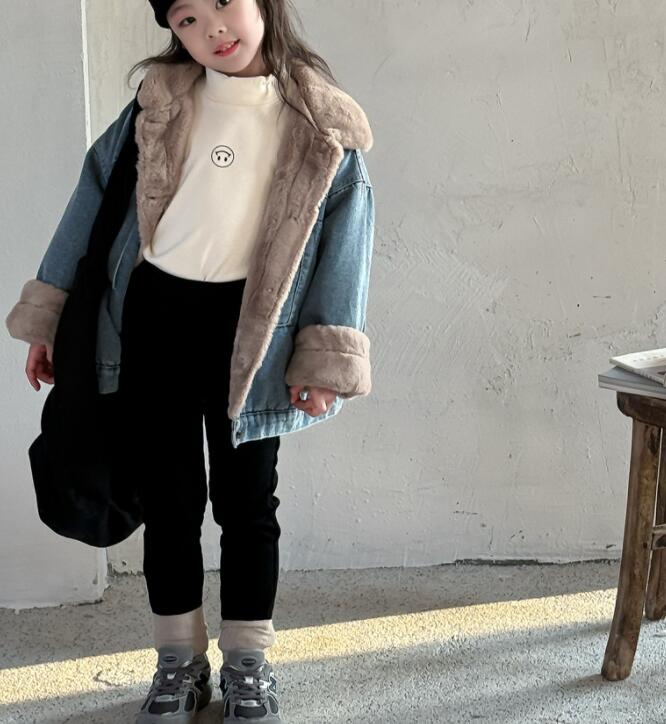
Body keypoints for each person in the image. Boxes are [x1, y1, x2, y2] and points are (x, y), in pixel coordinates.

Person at [5, 0, 375, 721]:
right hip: (154, 322)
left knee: (248, 504)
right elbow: (91, 202)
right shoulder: (160, 101)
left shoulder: (326, 126)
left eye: (224, 4)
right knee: (169, 503)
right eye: (187, 19)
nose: (213, 29)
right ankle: (178, 661)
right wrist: (51, 317)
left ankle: (247, 664)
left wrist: (322, 360)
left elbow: (345, 248)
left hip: (255, 337)